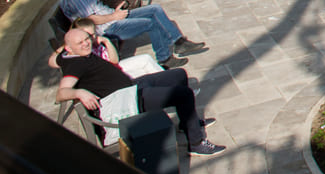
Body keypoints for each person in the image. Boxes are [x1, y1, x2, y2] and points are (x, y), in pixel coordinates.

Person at [56, 27, 225, 155]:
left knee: (179, 74)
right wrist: (79, 93)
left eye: (87, 39)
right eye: (80, 43)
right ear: (69, 48)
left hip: (131, 87)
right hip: (127, 101)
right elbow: (61, 93)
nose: (86, 43)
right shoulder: (75, 65)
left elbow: (55, 58)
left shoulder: (66, 56)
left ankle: (187, 124)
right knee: (184, 94)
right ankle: (196, 143)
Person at [57, 0, 206, 70]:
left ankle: (179, 43)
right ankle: (164, 59)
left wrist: (114, 12)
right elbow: (90, 20)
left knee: (155, 9)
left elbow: (95, 9)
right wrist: (114, 16)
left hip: (112, 17)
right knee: (151, 23)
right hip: (109, 27)